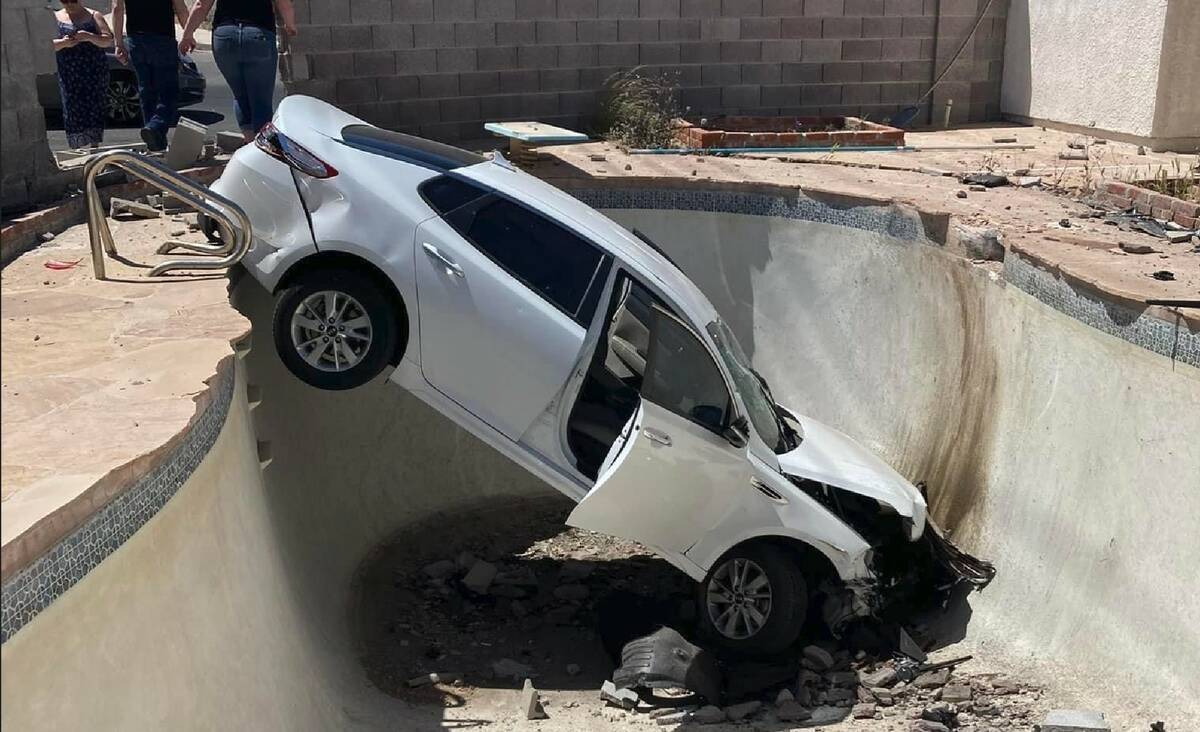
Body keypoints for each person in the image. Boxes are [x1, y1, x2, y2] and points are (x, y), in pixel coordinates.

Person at [180, 0, 296, 143]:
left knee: (241, 96)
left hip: (225, 36)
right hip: (258, 35)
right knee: (261, 99)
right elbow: (283, 3)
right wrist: (289, 24)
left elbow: (201, 5)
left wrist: (188, 34)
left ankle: (250, 141)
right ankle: (262, 148)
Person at [112, 0, 189, 152]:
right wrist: (188, 33)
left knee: (147, 90)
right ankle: (155, 126)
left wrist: (118, 43)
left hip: (136, 39)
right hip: (162, 38)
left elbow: (117, 9)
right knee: (169, 91)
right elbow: (180, 8)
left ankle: (155, 142)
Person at [52, 0, 113, 151]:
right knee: (72, 106)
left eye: (73, 1)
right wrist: (64, 43)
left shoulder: (94, 16)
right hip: (69, 70)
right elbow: (48, 44)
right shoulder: (55, 18)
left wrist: (89, 37)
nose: (70, 4)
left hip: (94, 69)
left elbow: (107, 40)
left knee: (95, 105)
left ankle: (94, 145)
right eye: (65, 1)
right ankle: (77, 146)